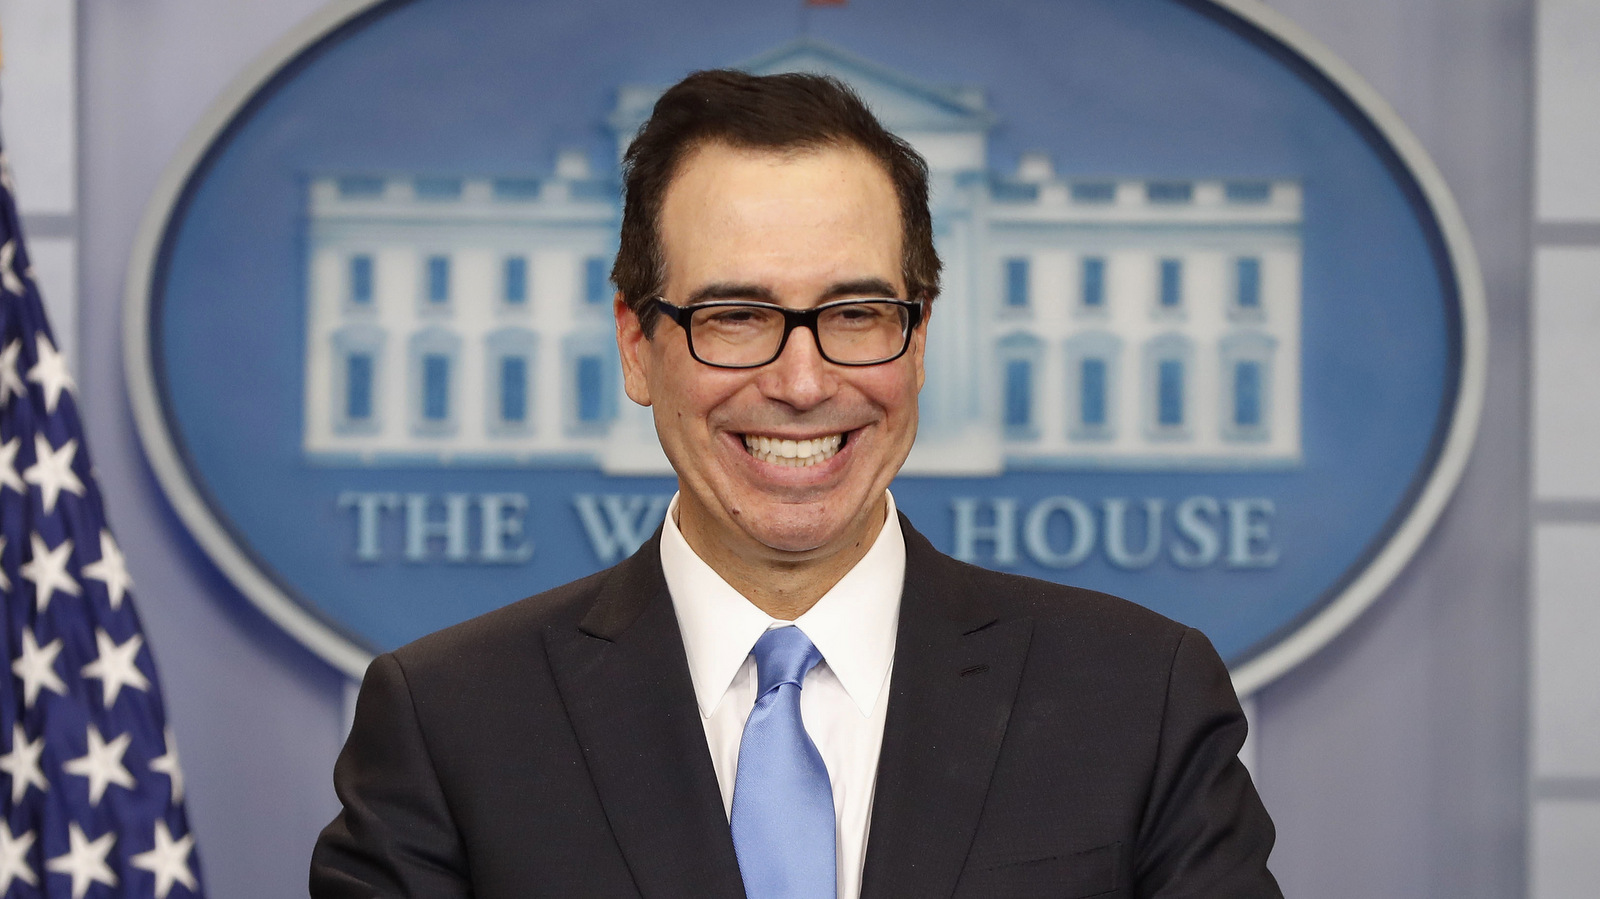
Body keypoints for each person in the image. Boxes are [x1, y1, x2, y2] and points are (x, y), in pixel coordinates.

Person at [311, 69, 1281, 899]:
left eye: (856, 311)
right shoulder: (448, 724)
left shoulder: (1138, 699)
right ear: (636, 344)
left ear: (920, 336)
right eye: (735, 314)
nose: (804, 380)